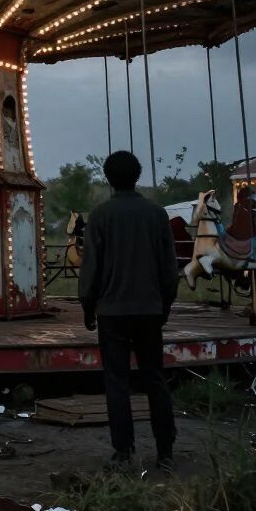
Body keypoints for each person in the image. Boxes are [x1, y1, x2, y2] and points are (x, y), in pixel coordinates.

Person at [79, 151, 179, 469]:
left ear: (108, 178)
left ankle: (123, 451)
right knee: (154, 378)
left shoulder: (100, 215)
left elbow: (91, 268)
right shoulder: (156, 214)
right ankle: (165, 450)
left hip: (112, 311)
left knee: (117, 381)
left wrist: (87, 306)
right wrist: (164, 306)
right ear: (137, 176)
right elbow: (169, 268)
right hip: (149, 309)